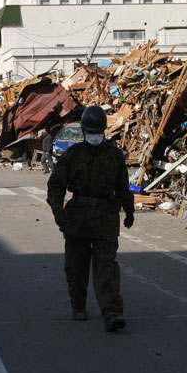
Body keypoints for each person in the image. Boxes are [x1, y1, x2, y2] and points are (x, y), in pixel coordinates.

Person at [47, 105, 134, 333]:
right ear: (84, 131)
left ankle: (112, 312)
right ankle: (78, 305)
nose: (95, 136)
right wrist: (58, 211)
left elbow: (123, 187)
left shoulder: (114, 155)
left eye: (99, 132)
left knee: (106, 267)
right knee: (76, 266)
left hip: (106, 218)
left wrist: (130, 210)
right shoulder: (73, 155)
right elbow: (56, 185)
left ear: (104, 131)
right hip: (78, 219)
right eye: (92, 131)